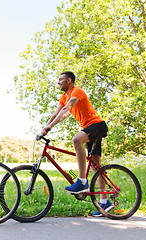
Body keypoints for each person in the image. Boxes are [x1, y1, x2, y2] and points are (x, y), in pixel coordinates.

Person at [39, 71, 113, 217]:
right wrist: (44, 129)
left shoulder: (76, 91)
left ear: (69, 81)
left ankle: (82, 182)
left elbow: (66, 110)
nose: (58, 82)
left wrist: (50, 127)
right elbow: (56, 114)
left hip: (97, 125)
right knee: (95, 165)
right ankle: (105, 202)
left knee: (76, 140)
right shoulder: (63, 97)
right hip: (89, 128)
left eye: (61, 79)